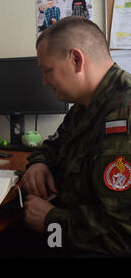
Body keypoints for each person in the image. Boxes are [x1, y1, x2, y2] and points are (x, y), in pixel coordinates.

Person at [21, 16, 130, 256]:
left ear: (76, 60)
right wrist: (39, 164)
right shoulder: (84, 107)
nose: (44, 81)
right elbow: (52, 145)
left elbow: (122, 234)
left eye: (48, 71)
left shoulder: (124, 113)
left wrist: (51, 220)